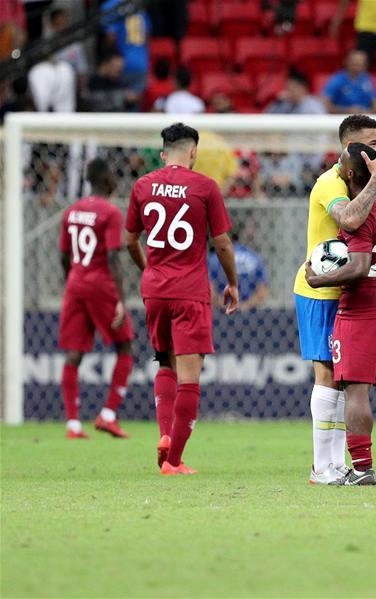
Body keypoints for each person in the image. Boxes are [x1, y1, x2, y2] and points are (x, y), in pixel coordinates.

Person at [125, 123, 240, 475]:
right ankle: (173, 460)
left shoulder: (143, 185)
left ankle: (164, 435)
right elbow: (221, 242)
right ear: (194, 153)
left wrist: (150, 269)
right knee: (190, 377)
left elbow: (129, 240)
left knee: (163, 363)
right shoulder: (205, 187)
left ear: (163, 153)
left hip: (155, 289)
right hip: (190, 291)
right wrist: (232, 283)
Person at [304, 144, 376, 485]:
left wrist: (317, 279)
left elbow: (358, 268)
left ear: (350, 173)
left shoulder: (357, 212)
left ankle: (363, 469)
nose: (336, 165)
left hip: (362, 308)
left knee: (356, 390)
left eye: (340, 161)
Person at [292, 114, 376, 485]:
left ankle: (337, 464)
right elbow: (349, 219)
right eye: (373, 143)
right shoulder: (328, 183)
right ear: (351, 147)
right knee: (327, 374)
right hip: (321, 289)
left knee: (347, 378)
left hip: (359, 295)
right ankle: (322, 466)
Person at [58, 158, 135, 440]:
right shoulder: (111, 212)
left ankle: (73, 425)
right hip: (101, 285)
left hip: (75, 283)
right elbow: (114, 256)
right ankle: (108, 415)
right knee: (125, 347)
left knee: (74, 353)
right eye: (114, 175)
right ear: (105, 179)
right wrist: (121, 301)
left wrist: (72, 280)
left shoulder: (72, 211)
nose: (117, 180)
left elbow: (64, 255)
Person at [208, 233, 270, 310]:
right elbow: (263, 289)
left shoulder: (215, 258)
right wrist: (246, 305)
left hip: (223, 310)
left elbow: (208, 288)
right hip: (249, 312)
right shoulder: (254, 257)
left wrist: (222, 304)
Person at [102, 0, 150, 95]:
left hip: (120, 66)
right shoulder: (138, 4)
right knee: (135, 106)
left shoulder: (110, 5)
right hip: (141, 63)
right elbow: (147, 34)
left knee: (116, 105)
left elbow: (110, 37)